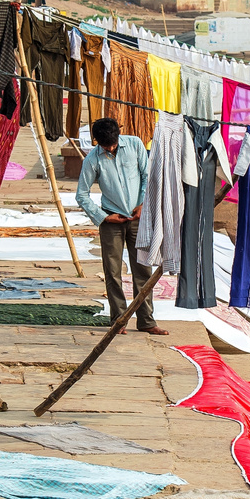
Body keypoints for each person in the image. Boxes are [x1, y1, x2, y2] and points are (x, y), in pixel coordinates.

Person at [76, 117, 165, 336]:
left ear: (118, 135)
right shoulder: (92, 160)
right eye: (106, 145)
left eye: (113, 143)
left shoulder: (134, 144)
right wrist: (104, 218)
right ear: (97, 141)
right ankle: (118, 320)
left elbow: (148, 176)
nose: (111, 148)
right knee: (113, 271)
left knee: (143, 269)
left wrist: (143, 204)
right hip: (110, 220)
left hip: (138, 218)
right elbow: (82, 195)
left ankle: (146, 320)